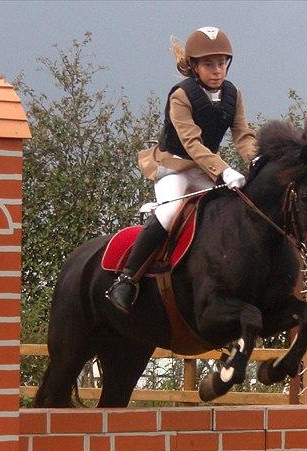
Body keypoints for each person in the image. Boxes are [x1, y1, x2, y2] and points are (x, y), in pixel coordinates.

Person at [106, 26, 257, 313]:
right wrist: (224, 171)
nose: (217, 70)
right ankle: (126, 280)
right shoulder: (181, 96)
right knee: (170, 213)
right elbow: (192, 143)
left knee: (224, 211)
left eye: (222, 63)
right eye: (209, 64)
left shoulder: (233, 94)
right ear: (194, 66)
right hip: (173, 166)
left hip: (205, 168)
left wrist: (257, 159)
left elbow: (243, 135)